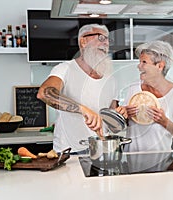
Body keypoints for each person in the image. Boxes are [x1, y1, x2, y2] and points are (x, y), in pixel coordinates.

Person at [37, 24, 125, 154]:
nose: (106, 43)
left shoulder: (111, 79)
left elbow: (111, 121)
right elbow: (44, 93)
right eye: (101, 38)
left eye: (107, 39)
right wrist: (83, 109)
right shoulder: (64, 69)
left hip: (101, 150)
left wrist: (120, 115)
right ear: (83, 41)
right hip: (69, 152)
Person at [117, 40, 173, 152]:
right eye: (139, 61)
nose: (138, 66)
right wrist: (124, 115)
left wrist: (164, 121)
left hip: (162, 163)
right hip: (132, 162)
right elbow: (123, 124)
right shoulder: (134, 87)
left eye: (144, 62)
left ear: (160, 66)